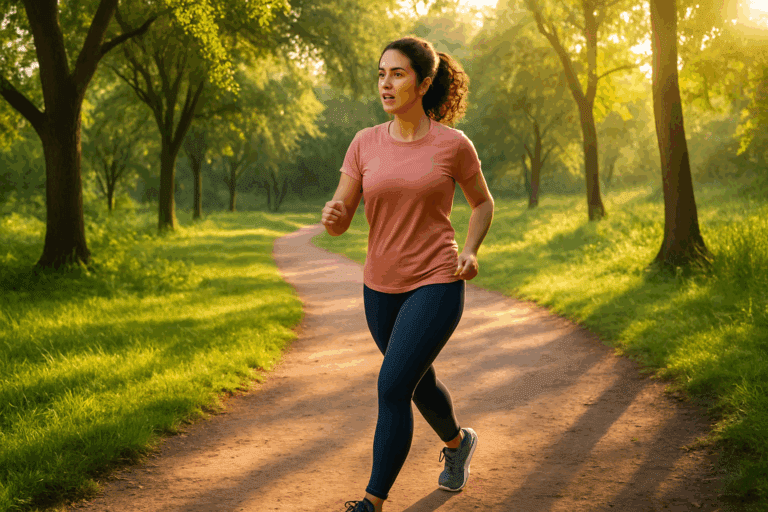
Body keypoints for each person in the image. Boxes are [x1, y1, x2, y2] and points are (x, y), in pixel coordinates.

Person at [320, 35, 494, 512]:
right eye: (381, 73)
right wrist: (334, 218)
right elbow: (342, 213)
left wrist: (472, 250)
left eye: (397, 73)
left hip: (437, 279)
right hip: (380, 287)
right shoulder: (364, 143)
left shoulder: (453, 145)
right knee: (415, 382)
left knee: (392, 385)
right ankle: (459, 443)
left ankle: (371, 503)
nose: (386, 83)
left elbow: (482, 203)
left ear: (425, 82)